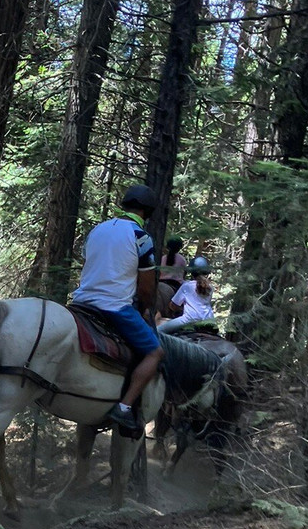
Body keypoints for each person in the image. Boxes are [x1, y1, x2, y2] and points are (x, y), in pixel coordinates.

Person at [70, 183, 165, 435]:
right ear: (148, 211)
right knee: (155, 352)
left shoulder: (97, 230)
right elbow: (145, 289)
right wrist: (144, 309)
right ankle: (123, 407)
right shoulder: (141, 237)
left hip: (80, 303)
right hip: (113, 306)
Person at [158, 256, 215, 333]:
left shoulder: (187, 285)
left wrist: (181, 309)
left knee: (158, 331)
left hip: (189, 320)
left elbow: (173, 305)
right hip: (209, 320)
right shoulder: (210, 287)